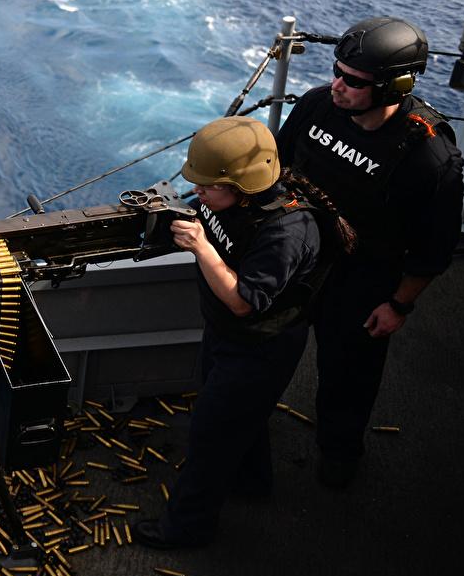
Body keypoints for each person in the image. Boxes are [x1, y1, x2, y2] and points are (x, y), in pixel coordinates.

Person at [134, 116, 352, 549]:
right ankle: (251, 482)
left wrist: (201, 247)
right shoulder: (229, 203)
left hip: (259, 346)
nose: (198, 194)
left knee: (211, 436)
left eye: (207, 187)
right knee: (238, 419)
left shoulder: (286, 231)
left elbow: (243, 301)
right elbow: (202, 215)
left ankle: (186, 529)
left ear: (241, 187)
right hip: (227, 334)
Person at [275, 16, 464, 488]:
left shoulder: (427, 156)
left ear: (395, 85)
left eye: (353, 80)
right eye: (336, 71)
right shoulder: (318, 106)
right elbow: (277, 165)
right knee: (265, 346)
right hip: (298, 257)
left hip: (362, 281)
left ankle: (339, 459)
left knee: (348, 377)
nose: (337, 85)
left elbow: (434, 249)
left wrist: (398, 305)